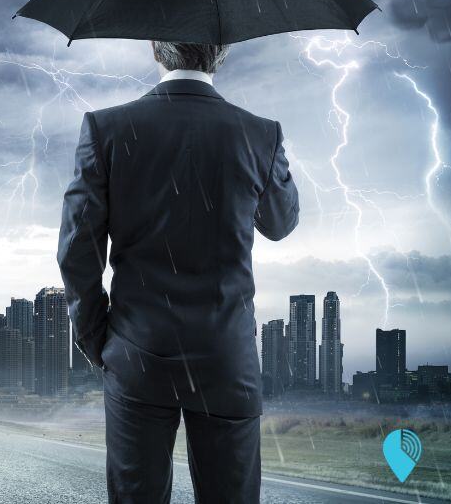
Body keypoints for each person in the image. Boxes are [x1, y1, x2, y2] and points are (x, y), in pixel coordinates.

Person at [56, 41, 299, 503]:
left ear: (155, 50)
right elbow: (281, 224)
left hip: (137, 354)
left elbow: (76, 250)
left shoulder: (106, 128)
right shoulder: (258, 133)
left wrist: (100, 343)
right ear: (221, 52)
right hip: (225, 358)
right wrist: (264, 159)